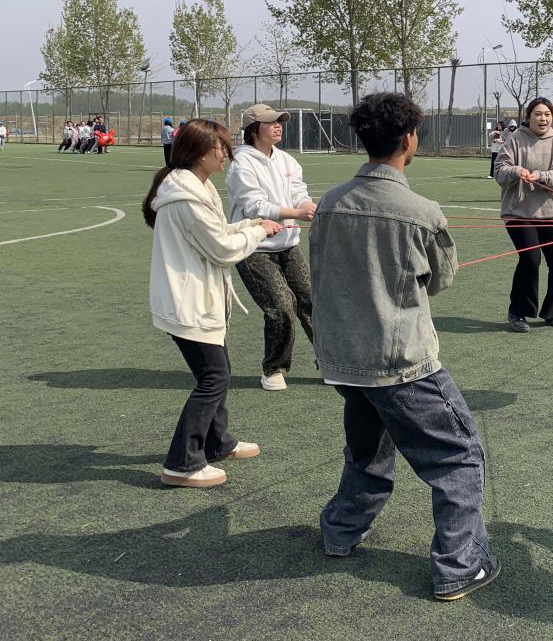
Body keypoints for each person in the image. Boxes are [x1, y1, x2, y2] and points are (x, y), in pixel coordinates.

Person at [309, 92, 499, 601]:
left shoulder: (330, 202)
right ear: (410, 139)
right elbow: (441, 279)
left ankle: (340, 530)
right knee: (460, 457)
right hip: (400, 363)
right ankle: (459, 566)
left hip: (342, 360)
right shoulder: (421, 211)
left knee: (367, 451)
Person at [142, 119, 283, 488]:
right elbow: (222, 249)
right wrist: (256, 231)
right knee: (213, 378)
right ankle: (182, 463)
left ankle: (217, 442)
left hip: (198, 300)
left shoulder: (194, 186)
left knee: (219, 372)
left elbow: (216, 234)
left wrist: (253, 225)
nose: (226, 155)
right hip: (188, 301)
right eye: (221, 148)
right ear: (200, 152)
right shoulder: (186, 197)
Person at [226, 104, 318, 392]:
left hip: (288, 245)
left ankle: (330, 361)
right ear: (254, 130)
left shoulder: (287, 160)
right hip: (254, 247)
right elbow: (254, 206)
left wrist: (307, 206)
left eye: (280, 121)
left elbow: (299, 192)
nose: (278, 126)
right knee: (281, 306)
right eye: (271, 122)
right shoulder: (242, 163)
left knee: (312, 301)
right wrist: (296, 213)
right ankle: (274, 368)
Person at [495, 97, 553, 333]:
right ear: (528, 117)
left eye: (547, 114)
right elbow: (499, 171)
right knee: (530, 259)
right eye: (538, 114)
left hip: (550, 213)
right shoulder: (515, 139)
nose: (543, 118)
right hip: (518, 212)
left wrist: (540, 176)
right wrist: (516, 171)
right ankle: (518, 312)